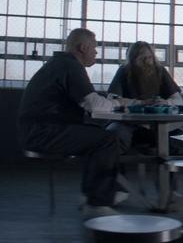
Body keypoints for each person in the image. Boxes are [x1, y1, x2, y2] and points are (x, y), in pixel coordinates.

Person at [17, 28, 134, 218]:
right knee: (107, 140)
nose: (96, 53)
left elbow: (89, 100)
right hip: (44, 133)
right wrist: (119, 103)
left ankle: (97, 193)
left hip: (39, 130)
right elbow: (92, 104)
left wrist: (111, 102)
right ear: (83, 47)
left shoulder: (60, 63)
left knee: (101, 136)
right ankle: (97, 203)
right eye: (94, 48)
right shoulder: (70, 66)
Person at [107, 41, 183, 149]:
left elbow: (178, 99)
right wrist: (141, 103)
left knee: (181, 139)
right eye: (142, 59)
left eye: (149, 57)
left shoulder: (160, 71)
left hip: (157, 124)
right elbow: (112, 99)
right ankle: (115, 165)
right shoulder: (124, 71)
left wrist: (166, 102)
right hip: (128, 123)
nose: (147, 62)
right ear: (133, 59)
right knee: (114, 135)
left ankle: (166, 165)